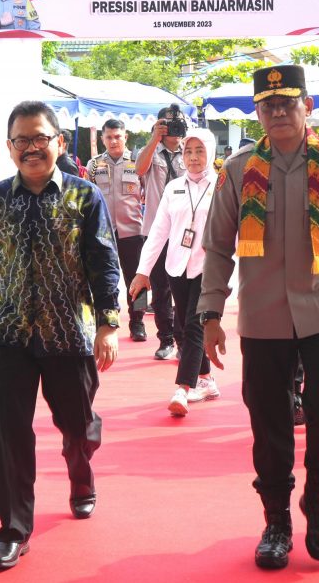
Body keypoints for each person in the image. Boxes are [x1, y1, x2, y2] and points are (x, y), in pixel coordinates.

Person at [199, 64, 319, 569]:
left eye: (288, 102)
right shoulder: (237, 171)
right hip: (263, 318)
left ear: (306, 106)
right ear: (258, 112)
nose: (279, 112)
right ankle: (277, 519)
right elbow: (216, 247)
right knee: (270, 423)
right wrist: (210, 312)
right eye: (268, 105)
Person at [0, 100, 120, 571]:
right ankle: (13, 529)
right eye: (22, 141)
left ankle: (81, 474)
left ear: (59, 142)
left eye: (40, 139)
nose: (32, 148)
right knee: (9, 435)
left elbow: (103, 261)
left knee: (78, 423)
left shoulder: (85, 196)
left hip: (67, 333)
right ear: (10, 148)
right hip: (9, 333)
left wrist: (109, 324)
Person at [129, 127, 219, 417]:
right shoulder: (173, 188)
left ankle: (183, 388)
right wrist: (143, 271)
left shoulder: (222, 187)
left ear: (211, 153)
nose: (193, 157)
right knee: (182, 325)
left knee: (193, 326)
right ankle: (206, 380)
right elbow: (158, 232)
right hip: (176, 267)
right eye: (188, 151)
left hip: (208, 269)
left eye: (200, 151)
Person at [87, 119, 147, 343]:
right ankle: (106, 320)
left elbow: (148, 192)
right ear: (102, 138)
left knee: (138, 280)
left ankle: (138, 321)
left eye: (117, 136)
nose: (113, 141)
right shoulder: (94, 165)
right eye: (109, 137)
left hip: (132, 231)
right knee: (104, 280)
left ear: (125, 137)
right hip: (103, 233)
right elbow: (88, 198)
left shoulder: (138, 162)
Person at [135, 105, 187, 360]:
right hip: (155, 232)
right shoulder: (152, 152)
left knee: (182, 288)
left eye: (178, 124)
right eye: (168, 125)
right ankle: (165, 339)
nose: (175, 130)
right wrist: (154, 138)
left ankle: (182, 338)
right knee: (160, 288)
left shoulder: (190, 150)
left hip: (184, 233)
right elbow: (139, 169)